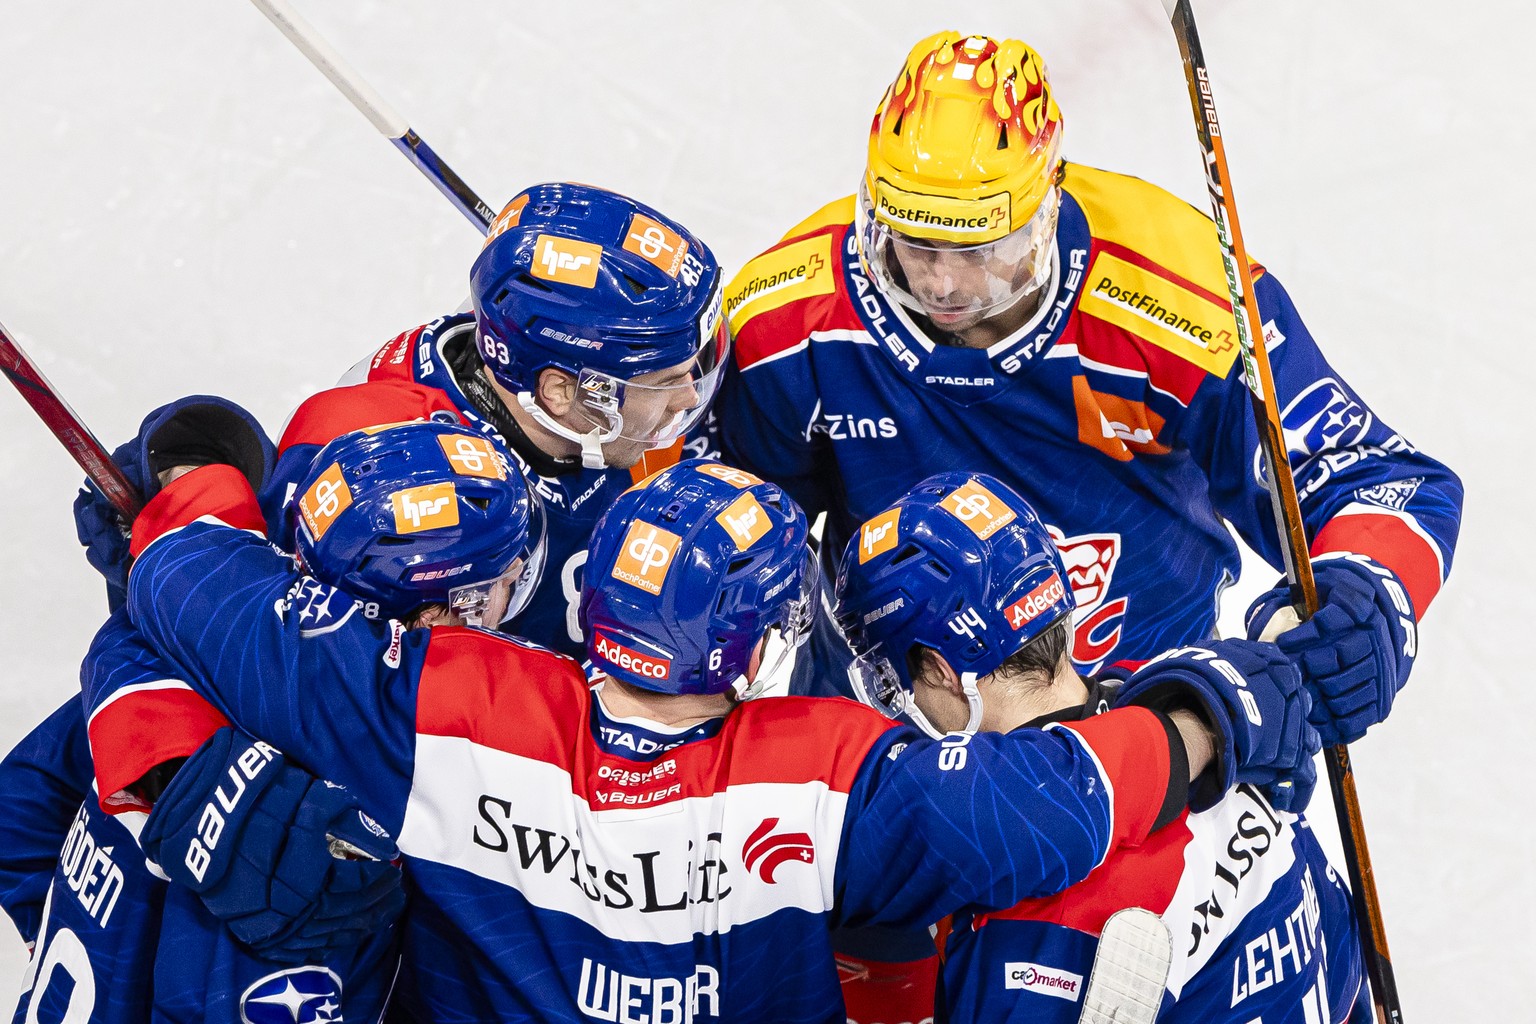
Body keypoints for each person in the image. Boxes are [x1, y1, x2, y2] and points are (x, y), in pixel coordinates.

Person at [119, 455, 1316, 1023]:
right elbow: (1024, 812)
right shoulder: (819, 764)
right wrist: (1201, 715)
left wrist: (198, 480)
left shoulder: (452, 700)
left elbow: (196, 588)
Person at [714, 29, 1461, 731]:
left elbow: (1376, 478)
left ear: (1045, 207)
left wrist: (1367, 594)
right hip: (882, 737)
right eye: (917, 243)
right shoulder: (788, 319)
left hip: (1139, 730)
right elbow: (726, 531)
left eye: (980, 247)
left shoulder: (1183, 302)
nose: (942, 283)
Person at [834, 471, 1361, 1022]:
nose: (893, 699)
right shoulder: (1210, 706)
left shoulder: (1016, 907)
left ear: (943, 671)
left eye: (891, 676)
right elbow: (1338, 949)